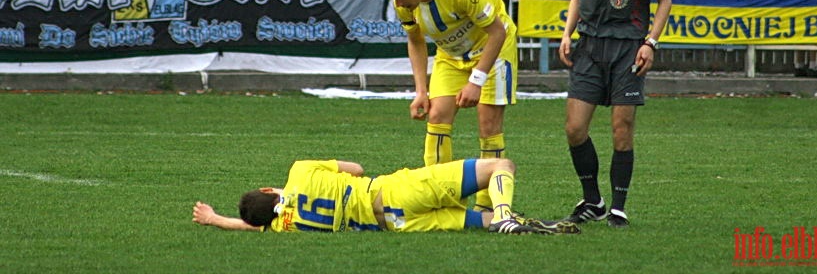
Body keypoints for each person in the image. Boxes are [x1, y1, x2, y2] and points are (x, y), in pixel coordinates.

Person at [377, 0, 519, 213]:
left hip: (493, 49)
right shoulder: (404, 4)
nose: (399, 4)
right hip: (451, 56)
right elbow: (416, 41)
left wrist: (476, 80)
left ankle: (487, 207)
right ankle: (441, 200)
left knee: (488, 126)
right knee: (437, 116)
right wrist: (421, 91)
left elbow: (497, 32)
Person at [558, 0, 672, 229]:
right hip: (589, 48)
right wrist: (567, 34)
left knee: (622, 130)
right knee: (574, 128)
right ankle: (592, 200)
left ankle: (618, 207)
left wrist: (650, 42)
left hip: (627, 51)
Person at [192, 157, 579, 235]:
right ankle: (509, 214)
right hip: (394, 191)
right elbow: (356, 169)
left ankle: (505, 223)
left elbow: (248, 225)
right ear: (267, 189)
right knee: (500, 167)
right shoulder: (298, 171)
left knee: (478, 220)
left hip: (397, 225)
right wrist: (286, 190)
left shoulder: (286, 228)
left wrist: (213, 218)